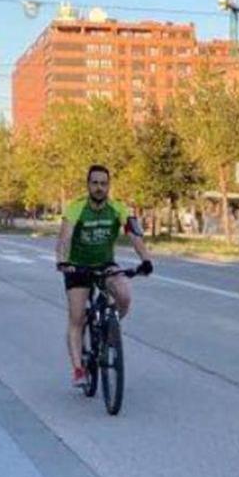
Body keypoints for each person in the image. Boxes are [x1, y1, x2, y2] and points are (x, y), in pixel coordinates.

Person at [55, 165, 153, 389]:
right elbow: (64, 238)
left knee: (124, 296)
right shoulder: (76, 208)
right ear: (88, 185)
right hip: (77, 267)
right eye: (95, 183)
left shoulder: (118, 208)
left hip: (105, 264)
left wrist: (146, 260)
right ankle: (79, 369)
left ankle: (109, 332)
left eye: (103, 183)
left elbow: (135, 235)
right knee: (77, 317)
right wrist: (63, 261)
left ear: (109, 186)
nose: (99, 188)